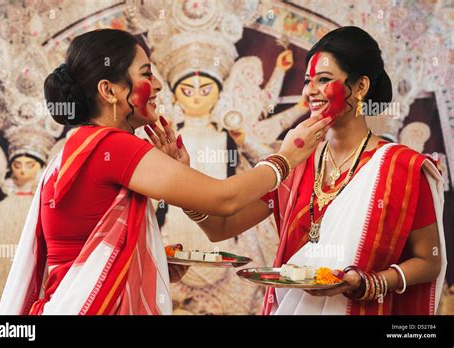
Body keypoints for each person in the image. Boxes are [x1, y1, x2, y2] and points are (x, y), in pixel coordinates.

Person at [0, 29, 330, 315]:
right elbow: (225, 199)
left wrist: (148, 258)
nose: (157, 86)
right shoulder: (111, 146)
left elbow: (85, 250)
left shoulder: (81, 145)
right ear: (109, 90)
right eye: (146, 74)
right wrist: (286, 157)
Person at [181, 26, 447, 315]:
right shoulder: (294, 161)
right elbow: (223, 228)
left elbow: (429, 260)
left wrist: (370, 283)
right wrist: (181, 184)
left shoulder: (402, 168)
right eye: (309, 81)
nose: (311, 91)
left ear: (360, 87)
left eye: (324, 80)